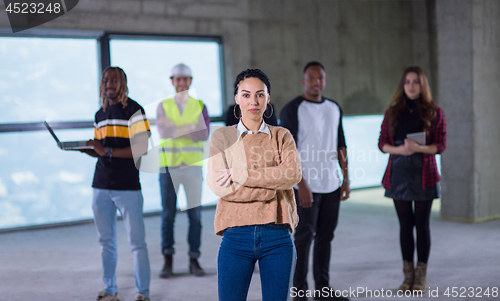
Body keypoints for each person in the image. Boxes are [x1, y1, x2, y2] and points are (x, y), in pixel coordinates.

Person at [207, 69, 302, 301]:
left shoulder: (282, 136)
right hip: (235, 236)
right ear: (237, 98)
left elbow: (293, 174)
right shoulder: (222, 138)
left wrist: (240, 173)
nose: (253, 101)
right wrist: (273, 184)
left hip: (277, 234)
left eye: (260, 94)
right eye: (246, 94)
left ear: (268, 98)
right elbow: (220, 188)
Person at [280, 61, 350, 301]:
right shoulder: (292, 109)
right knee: (303, 239)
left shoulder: (333, 108)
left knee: (325, 237)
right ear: (303, 81)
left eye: (320, 78)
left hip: (331, 183)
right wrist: (302, 186)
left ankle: (323, 289)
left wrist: (345, 179)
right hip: (305, 187)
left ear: (325, 80)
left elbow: (340, 143)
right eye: (311, 78)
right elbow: (287, 152)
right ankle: (299, 292)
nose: (316, 82)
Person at [80, 66, 152, 301]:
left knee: (137, 242)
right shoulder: (99, 114)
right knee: (105, 241)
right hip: (100, 184)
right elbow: (101, 151)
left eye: (114, 80)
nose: (109, 83)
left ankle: (143, 293)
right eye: (105, 80)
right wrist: (90, 150)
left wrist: (106, 151)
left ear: (123, 82)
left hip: (127, 186)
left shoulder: (135, 110)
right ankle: (110, 290)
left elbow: (141, 150)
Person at [378, 66, 447, 292]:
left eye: (415, 82)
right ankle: (407, 277)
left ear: (422, 85)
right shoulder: (392, 112)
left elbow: (441, 146)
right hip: (398, 172)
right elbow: (382, 144)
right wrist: (402, 151)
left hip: (424, 173)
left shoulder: (434, 112)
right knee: (405, 226)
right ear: (402, 85)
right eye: (407, 82)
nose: (411, 86)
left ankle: (421, 277)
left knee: (422, 225)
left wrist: (419, 148)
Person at [157, 63, 210, 278]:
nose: (181, 83)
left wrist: (176, 129)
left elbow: (203, 134)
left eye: (185, 80)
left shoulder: (200, 105)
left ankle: (194, 260)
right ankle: (167, 261)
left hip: (192, 167)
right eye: (178, 79)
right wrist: (190, 127)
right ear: (172, 81)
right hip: (168, 166)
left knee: (195, 217)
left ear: (190, 81)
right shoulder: (163, 105)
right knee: (168, 216)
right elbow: (163, 132)